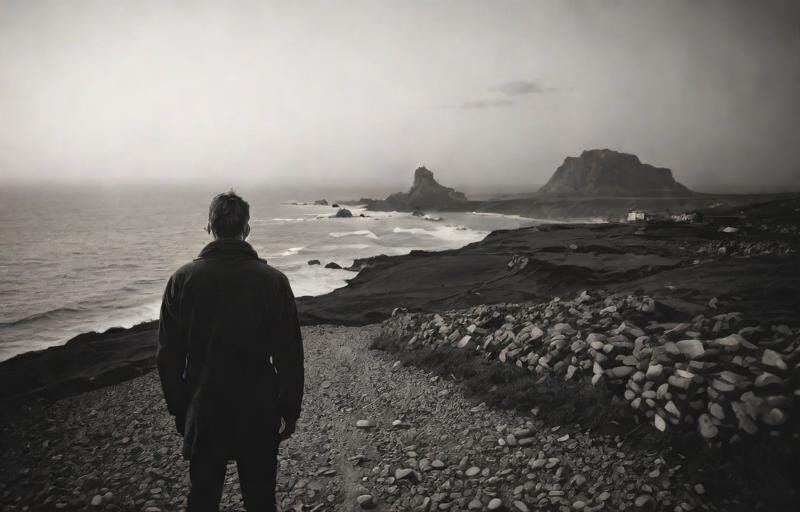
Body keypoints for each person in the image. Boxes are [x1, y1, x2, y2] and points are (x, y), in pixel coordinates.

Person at [157, 190, 304, 512]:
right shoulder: (273, 281)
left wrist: (180, 409)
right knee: (261, 499)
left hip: (204, 406)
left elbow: (168, 355)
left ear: (209, 227)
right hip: (258, 408)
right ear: (247, 229)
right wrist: (289, 410)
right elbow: (289, 355)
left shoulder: (181, 280)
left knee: (203, 498)